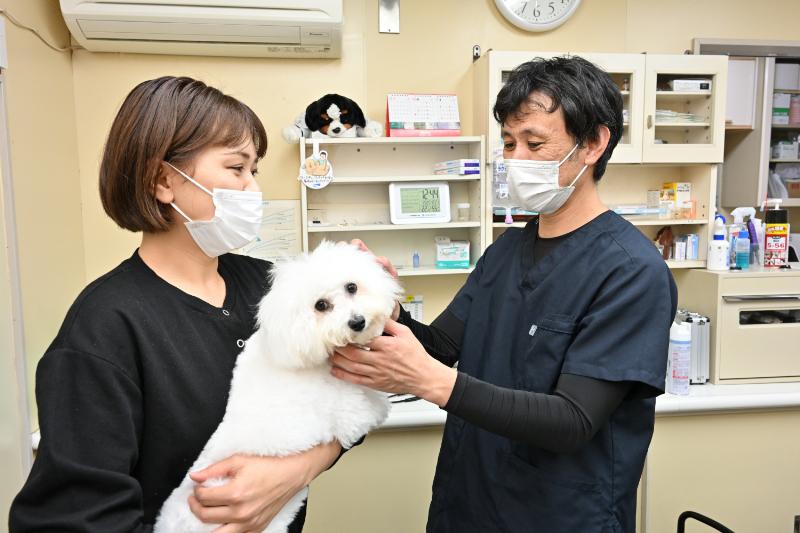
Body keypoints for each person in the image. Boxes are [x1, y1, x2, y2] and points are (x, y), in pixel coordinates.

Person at [332, 56, 678, 532]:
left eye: (535, 144)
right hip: (472, 500)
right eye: (510, 144)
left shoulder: (631, 270)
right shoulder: (507, 250)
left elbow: (573, 419)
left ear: (593, 143)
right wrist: (380, 303)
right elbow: (441, 348)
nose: (515, 161)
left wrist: (431, 382)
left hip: (560, 515)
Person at [9, 76, 345, 532]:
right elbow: (73, 520)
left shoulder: (267, 286)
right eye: (236, 168)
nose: (252, 188)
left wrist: (299, 469)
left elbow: (348, 393)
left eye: (254, 171)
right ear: (163, 180)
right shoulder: (106, 327)